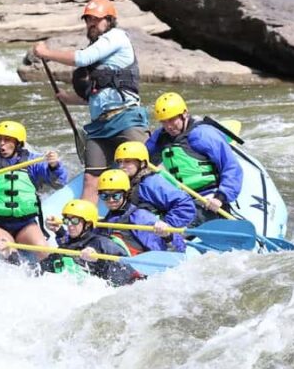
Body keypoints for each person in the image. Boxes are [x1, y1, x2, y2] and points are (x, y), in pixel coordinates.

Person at [32, 0, 150, 204]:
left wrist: (46, 53)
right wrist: (69, 99)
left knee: (142, 173)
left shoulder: (116, 37)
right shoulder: (98, 50)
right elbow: (97, 95)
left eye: (96, 19)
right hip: (99, 127)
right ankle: (86, 221)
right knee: (90, 180)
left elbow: (81, 58)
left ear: (109, 20)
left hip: (126, 118)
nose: (91, 24)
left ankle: (151, 212)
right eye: (88, 20)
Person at [0, 120, 67, 259]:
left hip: (26, 224)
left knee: (44, 252)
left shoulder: (33, 162)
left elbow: (59, 182)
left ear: (18, 143)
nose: (1, 143)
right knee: (8, 252)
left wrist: (54, 166)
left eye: (7, 140)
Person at [146, 92, 243, 225]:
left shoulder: (203, 135)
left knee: (174, 225)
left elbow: (231, 167)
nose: (168, 126)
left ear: (184, 114)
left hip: (208, 198)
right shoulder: (160, 136)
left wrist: (220, 197)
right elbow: (143, 155)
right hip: (180, 198)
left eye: (172, 119)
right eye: (164, 121)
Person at [39, 199, 140, 286]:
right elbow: (69, 246)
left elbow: (126, 267)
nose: (69, 225)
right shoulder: (72, 241)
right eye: (66, 220)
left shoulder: (101, 242)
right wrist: (59, 231)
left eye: (75, 221)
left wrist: (99, 260)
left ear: (87, 224)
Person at [113, 141, 196, 234]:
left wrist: (167, 224)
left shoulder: (151, 182)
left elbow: (185, 205)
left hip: (157, 235)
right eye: (120, 162)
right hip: (136, 233)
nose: (122, 166)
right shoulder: (127, 183)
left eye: (127, 161)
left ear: (142, 163)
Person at [95, 169, 179, 253]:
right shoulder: (108, 218)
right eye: (104, 196)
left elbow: (161, 252)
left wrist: (167, 237)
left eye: (116, 196)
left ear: (126, 194)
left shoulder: (140, 217)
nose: (111, 200)